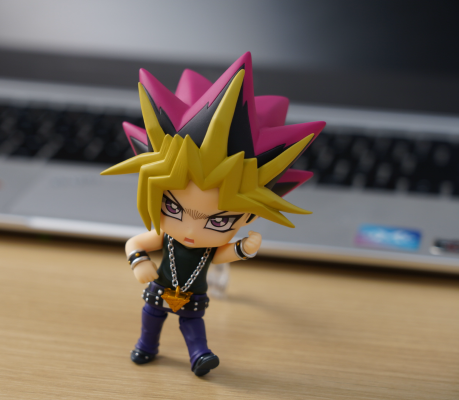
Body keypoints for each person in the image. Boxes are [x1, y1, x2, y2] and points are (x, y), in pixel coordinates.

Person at [101, 52, 325, 376]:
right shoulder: (166, 237)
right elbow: (135, 242)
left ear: (249, 216)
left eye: (218, 220)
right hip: (159, 290)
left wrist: (242, 249)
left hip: (192, 297)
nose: (191, 229)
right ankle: (146, 346)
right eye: (172, 207)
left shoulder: (208, 248)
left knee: (193, 325)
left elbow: (220, 256)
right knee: (151, 318)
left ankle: (199, 355)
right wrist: (139, 262)